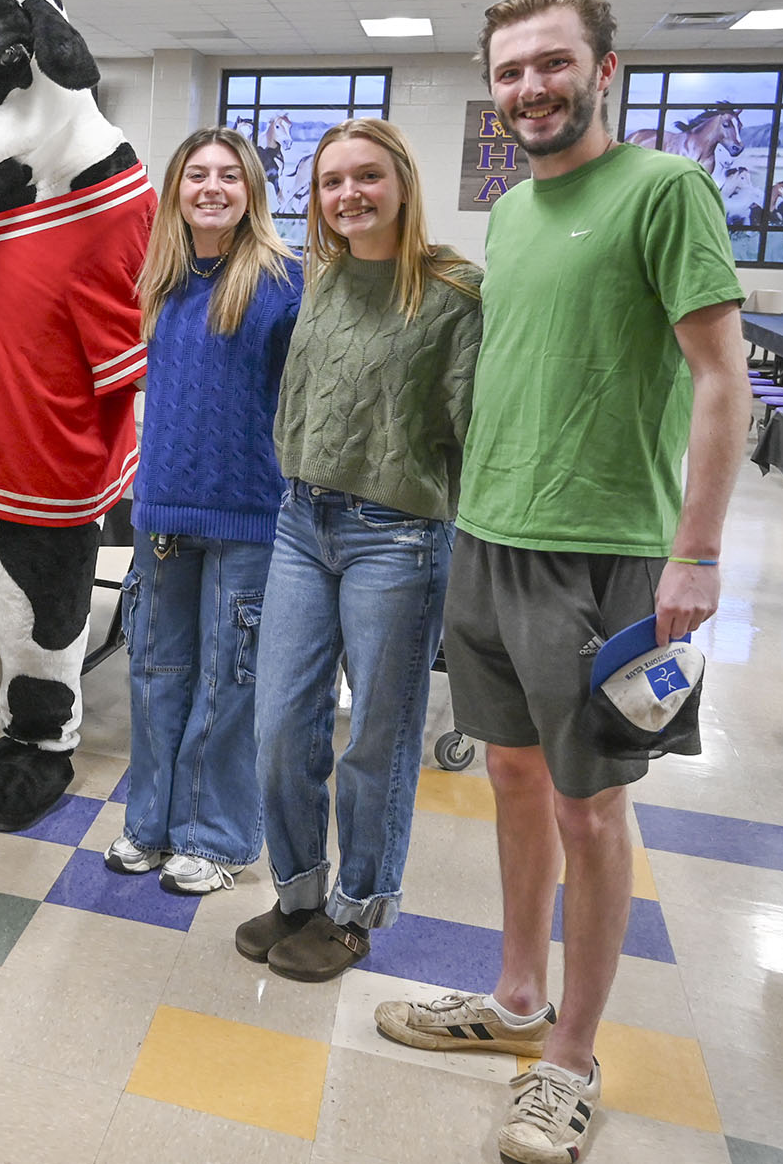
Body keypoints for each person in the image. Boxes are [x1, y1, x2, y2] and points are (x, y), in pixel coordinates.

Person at [369, 0, 746, 1164]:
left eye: (551, 64)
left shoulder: (665, 192)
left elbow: (723, 380)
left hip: (605, 553)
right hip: (491, 540)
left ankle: (572, 1060)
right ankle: (517, 1000)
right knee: (517, 784)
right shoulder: (518, 212)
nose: (529, 86)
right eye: (511, 70)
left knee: (592, 809)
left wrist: (695, 553)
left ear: (606, 70)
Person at [235, 117, 484, 978]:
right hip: (301, 524)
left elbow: (471, 432)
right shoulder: (323, 278)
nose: (350, 195)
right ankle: (300, 890)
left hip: (398, 538)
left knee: (374, 736)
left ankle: (356, 909)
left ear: (404, 183)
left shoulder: (454, 294)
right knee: (279, 725)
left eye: (367, 177)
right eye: (332, 181)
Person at [104, 127, 302, 895]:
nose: (211, 187)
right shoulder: (158, 282)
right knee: (155, 675)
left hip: (250, 513)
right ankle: (149, 824)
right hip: (163, 515)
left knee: (230, 681)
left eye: (228, 175)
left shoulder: (286, 283)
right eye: (196, 175)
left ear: (252, 188)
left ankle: (213, 836)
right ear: (176, 191)